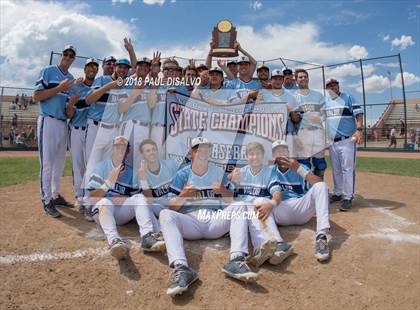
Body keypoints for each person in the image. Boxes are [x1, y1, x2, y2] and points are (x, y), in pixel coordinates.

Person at [159, 137, 261, 297]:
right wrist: (183, 195)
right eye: (198, 149)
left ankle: (236, 260)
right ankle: (181, 268)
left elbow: (231, 201)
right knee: (165, 214)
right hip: (190, 222)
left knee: (240, 205)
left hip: (214, 220)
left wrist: (223, 191)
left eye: (206, 150)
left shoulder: (218, 173)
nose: (203, 153)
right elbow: (171, 207)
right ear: (191, 152)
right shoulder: (182, 174)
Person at [33, 44, 77, 218]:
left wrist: (72, 103)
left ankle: (55, 194)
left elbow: (68, 110)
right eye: (65, 53)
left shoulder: (72, 78)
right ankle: (46, 200)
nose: (67, 57)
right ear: (61, 55)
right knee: (47, 163)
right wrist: (59, 88)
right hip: (48, 120)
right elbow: (36, 96)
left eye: (71, 55)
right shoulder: (49, 70)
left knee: (59, 163)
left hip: (62, 122)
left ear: (73, 59)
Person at [269, 140, 331, 261]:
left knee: (321, 186)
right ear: (273, 155)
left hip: (300, 209)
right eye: (278, 151)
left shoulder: (299, 167)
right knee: (260, 201)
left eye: (284, 150)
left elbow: (319, 183)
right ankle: (276, 242)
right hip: (279, 211)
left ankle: (322, 236)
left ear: (288, 152)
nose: (282, 153)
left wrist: (299, 170)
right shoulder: (269, 170)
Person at [228, 142, 287, 268]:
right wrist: (231, 179)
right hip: (242, 212)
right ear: (246, 156)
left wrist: (272, 204)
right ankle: (268, 247)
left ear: (263, 155)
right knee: (245, 206)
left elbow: (277, 193)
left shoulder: (269, 172)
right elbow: (227, 196)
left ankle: (274, 246)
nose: (255, 157)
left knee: (261, 202)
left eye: (258, 154)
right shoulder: (240, 172)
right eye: (251, 154)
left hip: (258, 210)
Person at [87, 136, 147, 260]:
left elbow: (136, 200)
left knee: (139, 197)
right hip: (102, 211)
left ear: (127, 152)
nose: (121, 150)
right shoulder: (101, 167)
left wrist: (143, 180)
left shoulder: (132, 172)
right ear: (112, 149)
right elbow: (92, 198)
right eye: (117, 147)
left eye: (124, 148)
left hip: (120, 213)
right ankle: (114, 240)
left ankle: (148, 236)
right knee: (105, 201)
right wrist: (109, 182)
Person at [132, 139, 179, 251]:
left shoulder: (171, 165)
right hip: (160, 207)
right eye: (148, 151)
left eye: (154, 149)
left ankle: (160, 233)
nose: (152, 152)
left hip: (176, 203)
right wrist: (143, 178)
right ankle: (154, 235)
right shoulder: (140, 173)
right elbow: (149, 199)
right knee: (143, 203)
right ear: (143, 155)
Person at [66, 58, 99, 219]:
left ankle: (88, 200)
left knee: (90, 166)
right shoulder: (76, 87)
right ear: (85, 69)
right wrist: (71, 104)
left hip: (92, 130)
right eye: (89, 66)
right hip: (77, 130)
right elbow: (69, 114)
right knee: (78, 166)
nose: (92, 69)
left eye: (95, 66)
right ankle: (80, 198)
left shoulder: (98, 86)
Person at [324, 78, 363, 211]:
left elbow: (358, 114)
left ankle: (347, 196)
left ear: (338, 86)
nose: (332, 87)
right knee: (336, 169)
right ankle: (338, 193)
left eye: (334, 85)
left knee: (347, 169)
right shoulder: (326, 102)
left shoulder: (348, 97)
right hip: (332, 141)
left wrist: (358, 130)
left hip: (347, 140)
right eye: (329, 86)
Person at [294, 68, 327, 180]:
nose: (303, 78)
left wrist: (320, 118)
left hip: (317, 132)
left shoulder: (318, 95)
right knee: (304, 164)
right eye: (300, 77)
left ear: (308, 78)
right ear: (296, 80)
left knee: (321, 164)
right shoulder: (293, 97)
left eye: (305, 76)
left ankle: (319, 188)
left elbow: (325, 113)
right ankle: (306, 190)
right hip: (302, 132)